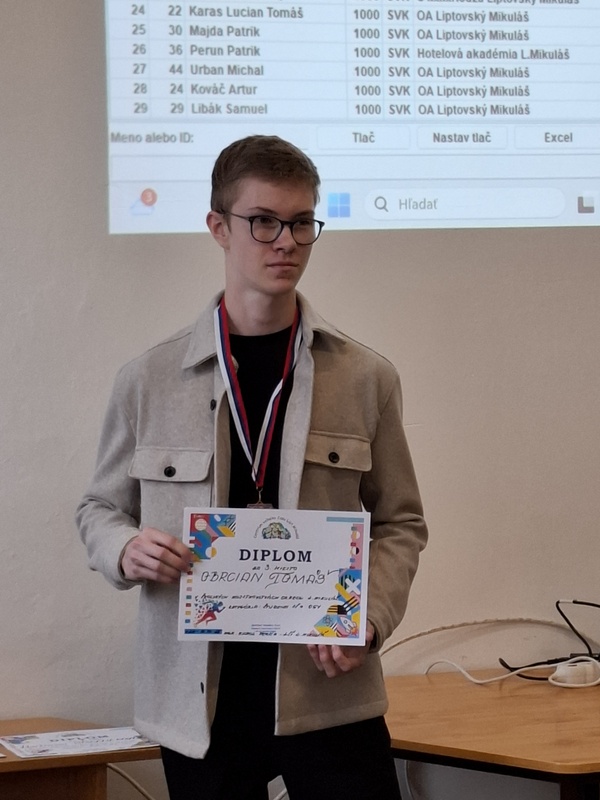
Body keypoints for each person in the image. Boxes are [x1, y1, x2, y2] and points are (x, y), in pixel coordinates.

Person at [77, 135, 428, 800]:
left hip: (327, 689)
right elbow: (100, 508)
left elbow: (401, 522)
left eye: (301, 223)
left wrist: (370, 619)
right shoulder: (149, 379)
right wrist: (124, 548)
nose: (286, 242)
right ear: (219, 227)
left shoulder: (366, 378)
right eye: (263, 221)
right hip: (199, 702)